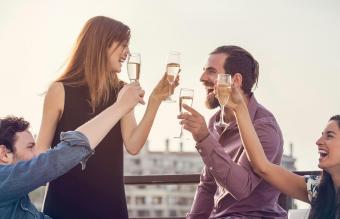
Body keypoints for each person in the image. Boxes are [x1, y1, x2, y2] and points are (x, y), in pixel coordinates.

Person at [37, 16, 178, 219]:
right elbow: (41, 155)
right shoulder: (59, 91)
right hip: (63, 206)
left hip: (110, 207)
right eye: (122, 44)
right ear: (101, 44)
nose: (127, 52)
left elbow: (134, 145)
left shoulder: (122, 92)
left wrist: (155, 99)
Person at [0, 82, 144, 219]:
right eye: (30, 147)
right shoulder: (3, 182)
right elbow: (61, 156)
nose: (37, 152)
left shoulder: (17, 199)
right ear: (4, 154)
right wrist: (119, 107)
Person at [179, 45, 287, 218]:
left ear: (235, 81)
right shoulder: (215, 121)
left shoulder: (264, 127)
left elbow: (241, 188)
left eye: (211, 72)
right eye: (204, 71)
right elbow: (207, 185)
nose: (202, 78)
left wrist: (204, 138)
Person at [223, 84, 340, 218]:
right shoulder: (317, 189)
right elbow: (262, 167)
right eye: (322, 135)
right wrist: (240, 109)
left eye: (329, 136)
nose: (318, 141)